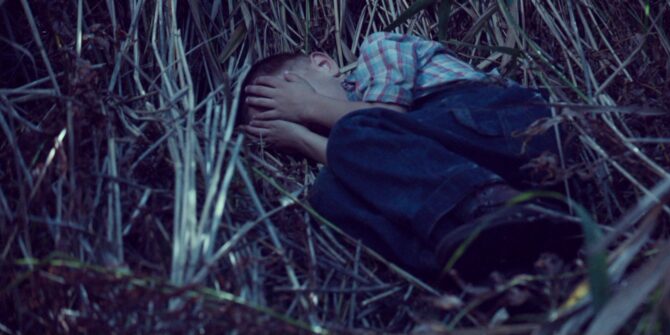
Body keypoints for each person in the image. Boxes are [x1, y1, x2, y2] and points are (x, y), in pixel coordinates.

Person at [237, 32, 580, 279]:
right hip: (485, 180)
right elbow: (378, 147)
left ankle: (496, 206)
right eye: (289, 121)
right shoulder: (364, 154)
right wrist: (301, 138)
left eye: (289, 97)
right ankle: (483, 266)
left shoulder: (377, 49)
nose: (301, 116)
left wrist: (308, 106)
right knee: (326, 195)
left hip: (512, 130)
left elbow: (386, 117)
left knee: (353, 130)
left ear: (323, 64)